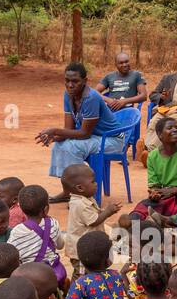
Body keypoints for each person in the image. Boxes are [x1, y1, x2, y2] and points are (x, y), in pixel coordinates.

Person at [37, 62, 136, 202]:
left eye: (75, 81)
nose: (70, 85)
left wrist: (54, 130)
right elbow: (69, 130)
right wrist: (55, 137)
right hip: (96, 137)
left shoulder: (91, 98)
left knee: (72, 147)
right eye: (67, 80)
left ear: (85, 81)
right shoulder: (68, 95)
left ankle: (81, 197)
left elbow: (84, 134)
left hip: (113, 140)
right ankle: (68, 192)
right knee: (59, 146)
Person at [121, 116, 177, 225]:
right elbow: (154, 186)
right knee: (142, 208)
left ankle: (155, 223)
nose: (175, 130)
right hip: (165, 196)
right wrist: (155, 194)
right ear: (160, 135)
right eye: (170, 128)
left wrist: (173, 191)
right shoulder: (153, 156)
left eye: (176, 127)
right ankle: (131, 225)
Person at [61, 163, 122, 275]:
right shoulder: (80, 204)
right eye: (93, 182)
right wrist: (108, 212)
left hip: (88, 248)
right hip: (81, 252)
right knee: (81, 275)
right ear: (80, 188)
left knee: (89, 273)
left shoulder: (85, 199)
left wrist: (105, 211)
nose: (96, 184)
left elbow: (94, 214)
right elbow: (94, 221)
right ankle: (76, 291)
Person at [8, 184, 67, 288]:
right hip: (52, 273)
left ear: (21, 208)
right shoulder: (53, 223)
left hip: (29, 277)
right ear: (46, 209)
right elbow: (60, 245)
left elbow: (12, 254)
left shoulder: (17, 231)